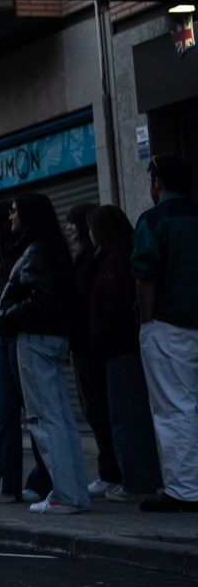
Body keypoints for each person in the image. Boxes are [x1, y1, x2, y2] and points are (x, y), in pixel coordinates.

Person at [0, 191, 90, 513]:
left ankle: (65, 495)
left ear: (28, 215)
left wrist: (6, 315)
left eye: (14, 212)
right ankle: (75, 491)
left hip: (35, 341)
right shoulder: (54, 250)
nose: (10, 217)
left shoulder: (36, 251)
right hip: (53, 339)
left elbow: (39, 300)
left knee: (45, 419)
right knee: (61, 418)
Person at [0, 199, 51, 505]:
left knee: (33, 414)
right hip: (4, 339)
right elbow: (0, 307)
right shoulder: (7, 255)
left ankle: (38, 479)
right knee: (6, 414)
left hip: (19, 338)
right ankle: (4, 484)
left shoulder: (25, 252)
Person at [133, 153, 198, 513]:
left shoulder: (155, 219)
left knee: (175, 408)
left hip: (170, 325)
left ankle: (185, 490)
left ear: (157, 182)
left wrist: (147, 322)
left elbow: (146, 275)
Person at [88, 204, 162, 501]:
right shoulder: (117, 257)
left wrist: (99, 335)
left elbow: (115, 307)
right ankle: (138, 478)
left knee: (127, 417)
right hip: (121, 347)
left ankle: (139, 482)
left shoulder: (116, 261)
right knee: (127, 416)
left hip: (120, 348)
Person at [65, 203, 122, 496]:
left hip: (89, 344)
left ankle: (111, 471)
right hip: (89, 343)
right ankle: (113, 469)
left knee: (96, 406)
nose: (70, 228)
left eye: (73, 222)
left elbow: (83, 302)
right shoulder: (93, 257)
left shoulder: (92, 260)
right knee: (98, 407)